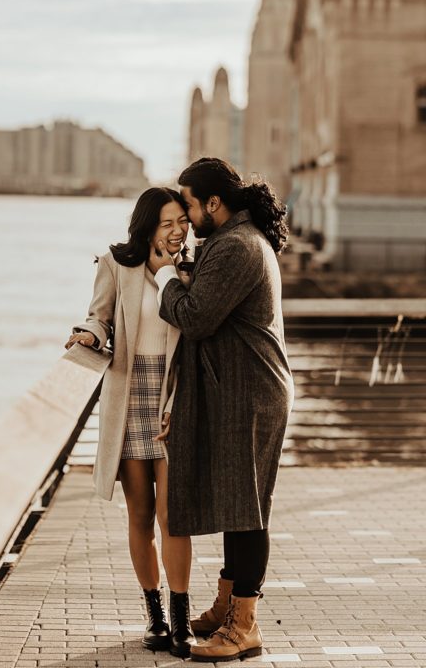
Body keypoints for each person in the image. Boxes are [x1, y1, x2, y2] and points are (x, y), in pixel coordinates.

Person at [150, 157, 293, 663]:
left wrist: (166, 277)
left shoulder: (235, 245)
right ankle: (226, 606)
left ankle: (244, 627)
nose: (185, 217)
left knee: (248, 511)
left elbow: (195, 318)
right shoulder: (235, 240)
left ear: (214, 202)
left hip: (250, 394)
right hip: (245, 390)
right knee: (240, 504)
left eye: (188, 204)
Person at [64, 187, 196, 658]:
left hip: (173, 400)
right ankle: (155, 616)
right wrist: (88, 334)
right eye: (168, 223)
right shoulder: (116, 264)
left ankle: (182, 621)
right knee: (140, 515)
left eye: (183, 220)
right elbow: (100, 319)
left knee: (172, 516)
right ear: (147, 226)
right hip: (128, 397)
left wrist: (178, 402)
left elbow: (195, 344)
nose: (179, 230)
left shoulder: (191, 269)